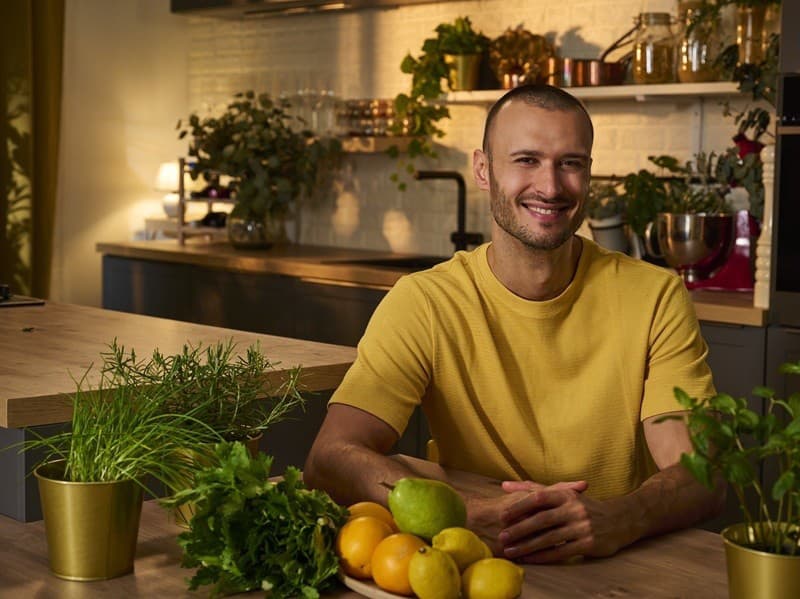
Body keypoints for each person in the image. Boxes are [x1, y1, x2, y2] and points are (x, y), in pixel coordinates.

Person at [303, 84, 725, 563]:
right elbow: (330, 457)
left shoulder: (655, 296)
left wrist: (622, 517)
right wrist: (461, 510)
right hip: (478, 561)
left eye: (571, 163)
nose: (550, 187)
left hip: (619, 560)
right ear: (483, 169)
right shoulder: (424, 301)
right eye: (526, 160)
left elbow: (702, 475)